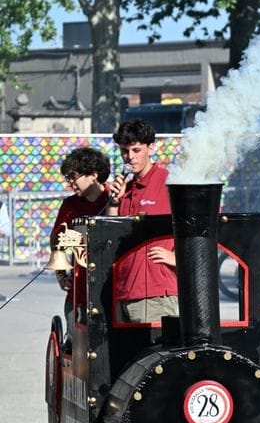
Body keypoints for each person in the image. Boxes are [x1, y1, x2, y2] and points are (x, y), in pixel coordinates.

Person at [106, 119, 178, 324]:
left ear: (151, 148)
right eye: (125, 152)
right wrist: (114, 202)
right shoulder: (125, 188)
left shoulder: (169, 181)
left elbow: (202, 223)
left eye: (136, 150)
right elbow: (111, 234)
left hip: (155, 292)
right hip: (123, 290)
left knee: (155, 353)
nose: (130, 157)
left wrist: (178, 258)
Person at [50, 147, 112, 332]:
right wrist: (61, 272)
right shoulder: (69, 205)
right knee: (74, 341)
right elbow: (56, 240)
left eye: (73, 177)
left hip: (111, 292)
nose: (70, 184)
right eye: (67, 178)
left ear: (93, 175)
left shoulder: (115, 199)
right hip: (78, 294)